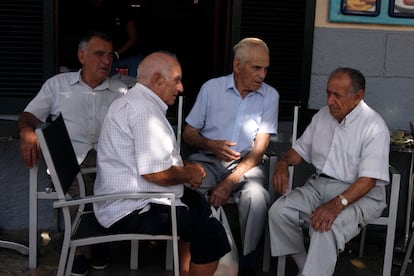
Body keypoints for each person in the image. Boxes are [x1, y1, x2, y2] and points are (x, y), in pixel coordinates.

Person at [93, 51, 231, 276]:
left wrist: (186, 166)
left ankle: (185, 271)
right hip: (129, 208)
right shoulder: (144, 112)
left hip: (130, 198)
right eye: (176, 80)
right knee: (210, 233)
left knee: (197, 203)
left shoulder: (138, 101)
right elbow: (154, 173)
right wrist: (189, 174)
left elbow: (153, 158)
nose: (181, 88)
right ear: (157, 80)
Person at [17, 30, 127, 276]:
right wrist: (26, 131)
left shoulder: (120, 91)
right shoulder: (58, 85)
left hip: (108, 160)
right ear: (81, 56)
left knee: (116, 180)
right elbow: (29, 115)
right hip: (71, 162)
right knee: (72, 183)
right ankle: (79, 250)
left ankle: (99, 242)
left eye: (110, 55)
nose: (107, 61)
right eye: (99, 54)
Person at [268, 67, 390, 276]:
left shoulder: (374, 126)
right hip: (320, 185)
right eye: (328, 93)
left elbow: (368, 181)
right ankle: (305, 266)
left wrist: (335, 205)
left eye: (337, 95)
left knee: (326, 226)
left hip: (360, 193)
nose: (329, 101)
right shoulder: (323, 117)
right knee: (279, 212)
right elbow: (297, 152)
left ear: (358, 96)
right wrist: (282, 163)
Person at [182, 37, 279, 275]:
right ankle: (198, 256)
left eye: (265, 69)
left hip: (247, 164)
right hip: (208, 159)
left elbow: (259, 150)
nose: (262, 75)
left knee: (257, 197)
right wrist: (210, 144)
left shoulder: (270, 96)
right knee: (191, 192)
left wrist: (229, 181)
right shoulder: (211, 89)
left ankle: (245, 262)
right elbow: (188, 134)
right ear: (237, 66)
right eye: (256, 68)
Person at [59, 0, 142, 76]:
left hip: (129, 58)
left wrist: (116, 54)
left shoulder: (121, 7)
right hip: (107, 59)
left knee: (132, 87)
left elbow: (133, 38)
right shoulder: (90, 9)